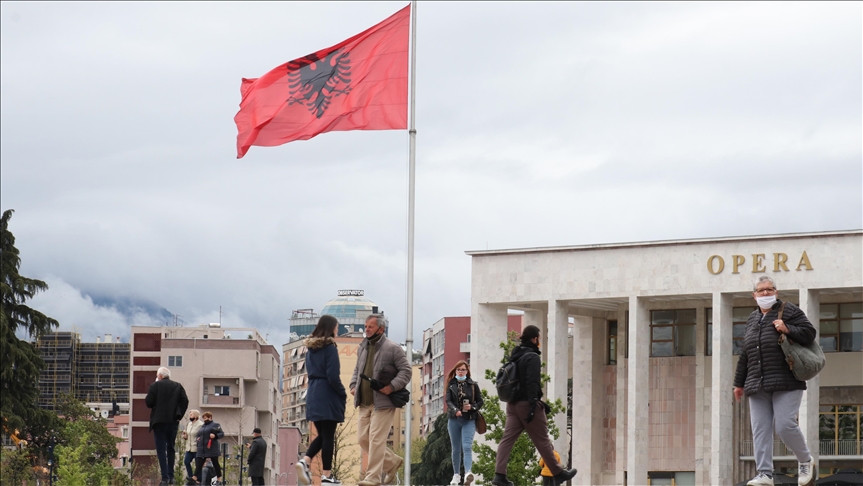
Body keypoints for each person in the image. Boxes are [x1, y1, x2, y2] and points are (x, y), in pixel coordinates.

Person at [734, 276, 816, 486]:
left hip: (786, 380)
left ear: (776, 292)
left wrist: (787, 329)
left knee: (784, 425)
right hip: (757, 382)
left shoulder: (789, 311)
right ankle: (765, 473)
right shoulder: (752, 319)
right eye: (761, 291)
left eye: (770, 290)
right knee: (760, 428)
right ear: (754, 295)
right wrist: (739, 382)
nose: (765, 294)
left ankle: (805, 460)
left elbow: (809, 334)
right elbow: (746, 353)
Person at [493, 325, 577, 486]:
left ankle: (499, 475)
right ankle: (558, 473)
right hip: (527, 404)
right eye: (538, 338)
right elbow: (532, 383)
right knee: (543, 440)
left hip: (512, 405)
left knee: (506, 440)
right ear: (535, 339)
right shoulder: (532, 357)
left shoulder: (515, 355)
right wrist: (534, 405)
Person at [350, 313, 411, 486]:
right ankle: (391, 462)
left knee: (376, 439)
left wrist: (391, 387)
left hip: (383, 403)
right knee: (362, 438)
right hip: (363, 402)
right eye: (365, 326)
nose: (366, 330)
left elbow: (406, 371)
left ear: (381, 329)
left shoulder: (393, 348)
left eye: (370, 326)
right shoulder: (363, 346)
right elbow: (357, 369)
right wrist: (353, 385)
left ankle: (373, 478)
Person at [295, 315, 347, 485]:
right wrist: (342, 392)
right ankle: (326, 476)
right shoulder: (330, 347)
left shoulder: (310, 350)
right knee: (329, 435)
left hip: (313, 393)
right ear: (331, 327)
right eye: (337, 327)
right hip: (327, 393)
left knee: (323, 435)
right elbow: (333, 376)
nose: (337, 331)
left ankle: (305, 461)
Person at [145, 366, 189, 486]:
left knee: (161, 449)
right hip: (173, 421)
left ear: (159, 376)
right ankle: (171, 476)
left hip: (159, 421)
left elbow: (148, 402)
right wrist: (179, 415)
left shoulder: (155, 386)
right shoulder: (178, 386)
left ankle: (164, 478)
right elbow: (185, 401)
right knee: (171, 447)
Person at [445, 360, 483, 486]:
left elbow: (480, 401)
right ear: (455, 371)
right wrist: (455, 410)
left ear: (467, 371)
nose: (461, 371)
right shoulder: (451, 384)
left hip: (469, 419)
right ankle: (456, 475)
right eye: (459, 369)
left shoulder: (473, 385)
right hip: (454, 419)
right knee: (456, 448)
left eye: (463, 369)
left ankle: (468, 473)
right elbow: (448, 401)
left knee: (467, 446)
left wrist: (472, 407)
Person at [193, 411, 225, 485]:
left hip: (211, 447)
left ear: (210, 417)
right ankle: (194, 478)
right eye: (203, 418)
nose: (204, 419)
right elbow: (198, 435)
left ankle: (219, 478)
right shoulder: (203, 426)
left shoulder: (215, 425)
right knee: (199, 463)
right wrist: (198, 439)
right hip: (202, 448)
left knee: (215, 463)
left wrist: (215, 436)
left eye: (206, 418)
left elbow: (221, 433)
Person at [182, 409, 203, 485]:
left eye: (191, 415)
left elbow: (202, 435)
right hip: (189, 448)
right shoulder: (189, 424)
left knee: (198, 465)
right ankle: (191, 477)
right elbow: (188, 435)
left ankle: (198, 480)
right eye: (190, 415)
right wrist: (185, 436)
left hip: (197, 448)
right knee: (186, 461)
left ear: (196, 416)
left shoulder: (200, 424)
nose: (190, 416)